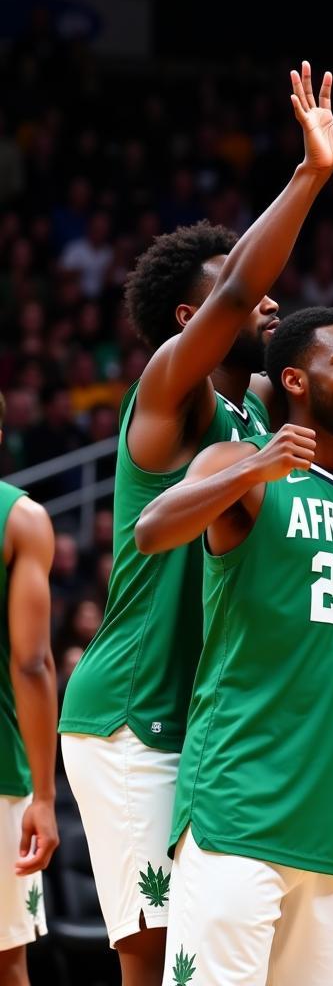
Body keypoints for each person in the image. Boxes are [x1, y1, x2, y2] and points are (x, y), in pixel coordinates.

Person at [58, 60, 333, 986]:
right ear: (192, 317)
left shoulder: (265, 407)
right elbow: (238, 299)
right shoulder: (167, 392)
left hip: (204, 721)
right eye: (242, 285)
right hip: (129, 717)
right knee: (153, 961)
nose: (269, 297)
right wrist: (310, 175)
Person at [134, 307, 333, 986]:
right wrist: (254, 468)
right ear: (293, 378)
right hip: (238, 810)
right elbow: (151, 529)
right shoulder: (238, 462)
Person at [0, 394, 58, 986]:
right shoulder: (20, 518)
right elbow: (32, 663)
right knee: (5, 960)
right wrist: (44, 796)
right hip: (0, 775)